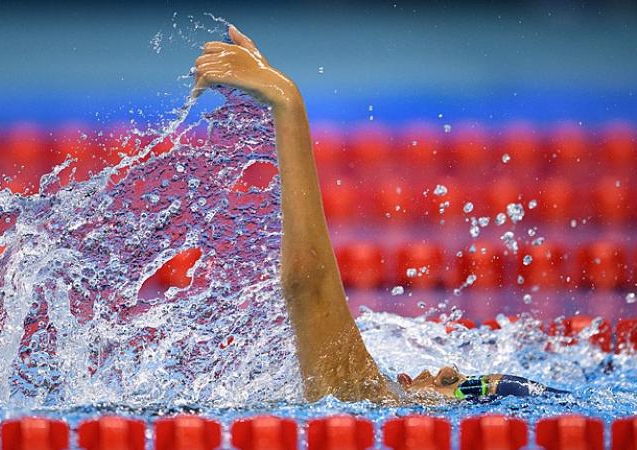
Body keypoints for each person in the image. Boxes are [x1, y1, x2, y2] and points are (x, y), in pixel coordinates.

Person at [193, 25, 569, 404]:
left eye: (461, 385)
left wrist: (285, 99)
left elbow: (307, 281)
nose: (443, 371)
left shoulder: (370, 399)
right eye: (460, 377)